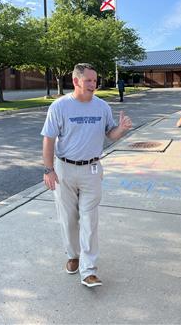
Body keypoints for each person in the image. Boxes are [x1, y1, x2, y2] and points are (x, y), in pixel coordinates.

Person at [41, 63, 132, 288]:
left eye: (95, 80)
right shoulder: (60, 107)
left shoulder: (101, 107)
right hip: (65, 170)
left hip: (92, 169)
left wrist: (120, 130)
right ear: (76, 81)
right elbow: (48, 139)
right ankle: (73, 255)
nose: (94, 84)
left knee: (90, 220)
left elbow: (110, 134)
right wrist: (48, 170)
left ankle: (89, 270)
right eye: (89, 80)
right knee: (69, 219)